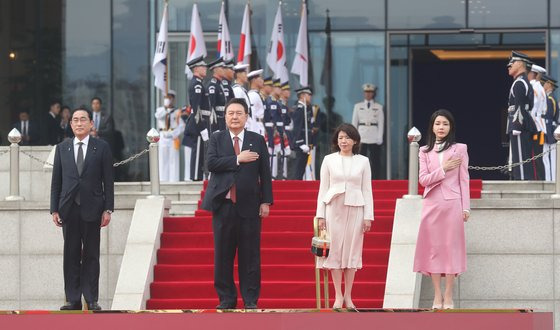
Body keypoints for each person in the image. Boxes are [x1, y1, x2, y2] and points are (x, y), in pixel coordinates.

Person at [201, 98, 273, 310]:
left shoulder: (257, 139)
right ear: (225, 117)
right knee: (223, 255)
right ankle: (226, 299)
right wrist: (237, 159)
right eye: (230, 113)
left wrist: (266, 201)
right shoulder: (217, 138)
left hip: (250, 206)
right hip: (223, 206)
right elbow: (211, 164)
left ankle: (250, 299)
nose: (234, 116)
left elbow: (265, 174)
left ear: (246, 117)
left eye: (239, 113)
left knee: (250, 255)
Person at [50, 107, 114, 311]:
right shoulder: (62, 148)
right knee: (70, 255)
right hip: (68, 209)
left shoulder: (101, 147)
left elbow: (108, 181)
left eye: (83, 119)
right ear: (70, 124)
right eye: (75, 120)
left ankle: (91, 298)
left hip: (93, 209)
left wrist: (108, 209)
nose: (79, 123)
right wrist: (54, 209)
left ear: (91, 124)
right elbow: (56, 182)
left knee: (91, 255)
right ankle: (72, 299)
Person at [413, 109, 470, 310]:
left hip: (453, 204)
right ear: (432, 126)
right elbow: (423, 180)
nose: (441, 127)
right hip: (432, 204)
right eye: (437, 123)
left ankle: (449, 295)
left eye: (445, 123)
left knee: (451, 249)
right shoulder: (424, 150)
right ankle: (437, 296)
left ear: (451, 127)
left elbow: (464, 179)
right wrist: (444, 168)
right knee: (434, 250)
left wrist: (466, 207)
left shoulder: (460, 149)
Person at [315, 123, 374, 309]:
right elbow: (322, 189)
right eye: (340, 138)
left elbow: (367, 189)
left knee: (351, 253)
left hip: (356, 209)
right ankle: (338, 296)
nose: (343, 141)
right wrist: (320, 215)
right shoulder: (329, 160)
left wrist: (368, 216)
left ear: (355, 140)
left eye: (347, 138)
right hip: (333, 208)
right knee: (335, 253)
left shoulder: (363, 161)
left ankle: (349, 296)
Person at [506, 51, 537, 180]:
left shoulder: (519, 83)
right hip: (522, 121)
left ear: (519, 64)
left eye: (512, 63)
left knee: (520, 154)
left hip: (519, 123)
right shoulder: (523, 81)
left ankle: (522, 180)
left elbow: (519, 106)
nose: (509, 66)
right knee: (521, 153)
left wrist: (517, 125)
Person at [183, 56, 211, 181]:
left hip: (202, 121)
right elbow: (197, 109)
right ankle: (195, 177)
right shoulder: (196, 85)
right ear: (196, 69)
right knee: (198, 150)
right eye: (203, 66)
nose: (205, 68)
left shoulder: (199, 83)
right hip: (198, 123)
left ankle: (197, 176)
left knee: (201, 152)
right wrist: (203, 128)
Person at [352, 83, 384, 179]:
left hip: (374, 135)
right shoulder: (358, 106)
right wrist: (354, 137)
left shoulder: (378, 107)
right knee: (360, 158)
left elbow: (381, 123)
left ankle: (375, 179)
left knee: (375, 159)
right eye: (366, 92)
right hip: (361, 135)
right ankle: (359, 178)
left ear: (373, 93)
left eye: (370, 92)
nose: (368, 94)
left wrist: (380, 136)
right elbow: (354, 122)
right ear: (364, 93)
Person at [155, 89, 184, 182]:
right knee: (163, 160)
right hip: (163, 136)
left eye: (170, 98)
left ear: (173, 99)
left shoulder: (178, 111)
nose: (168, 100)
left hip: (173, 137)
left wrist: (174, 133)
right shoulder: (160, 110)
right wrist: (165, 108)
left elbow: (182, 125)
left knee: (173, 160)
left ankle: (173, 180)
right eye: (166, 98)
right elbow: (158, 116)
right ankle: (163, 180)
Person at [290, 86, 314, 180]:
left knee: (301, 171)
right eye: (308, 95)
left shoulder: (306, 108)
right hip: (300, 145)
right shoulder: (299, 109)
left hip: (305, 144)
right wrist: (301, 143)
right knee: (297, 171)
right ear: (302, 96)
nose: (310, 97)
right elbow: (296, 128)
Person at [542, 75, 559, 181]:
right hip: (550, 130)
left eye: (544, 83)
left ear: (549, 85)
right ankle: (550, 179)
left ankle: (551, 180)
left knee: (549, 158)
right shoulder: (551, 98)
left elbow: (549, 118)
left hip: (549, 131)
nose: (543, 85)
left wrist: (547, 133)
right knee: (548, 158)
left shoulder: (550, 99)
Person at [207, 57, 227, 132]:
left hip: (222, 121)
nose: (224, 70)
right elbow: (211, 106)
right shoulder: (213, 86)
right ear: (215, 70)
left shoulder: (219, 85)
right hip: (216, 122)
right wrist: (214, 126)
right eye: (222, 68)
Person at [247, 69, 266, 136]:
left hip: (259, 125)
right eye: (260, 78)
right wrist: (252, 132)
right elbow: (252, 115)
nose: (262, 81)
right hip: (255, 127)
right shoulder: (252, 95)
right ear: (254, 80)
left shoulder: (257, 94)